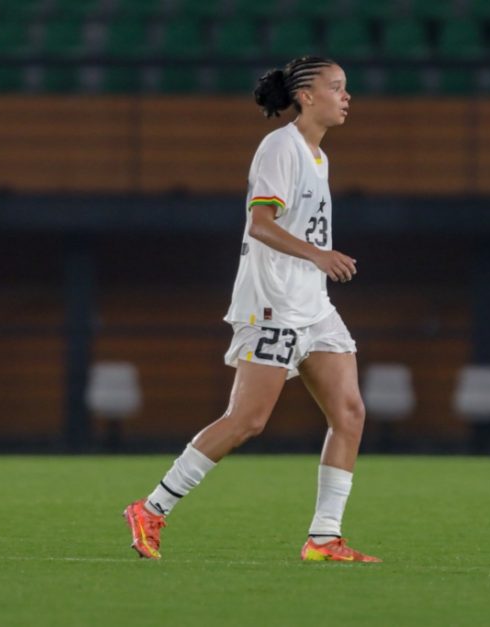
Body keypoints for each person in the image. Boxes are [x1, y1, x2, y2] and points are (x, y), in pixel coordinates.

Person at [123, 55, 379, 563]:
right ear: (306, 95)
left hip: (312, 305)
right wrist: (319, 255)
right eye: (336, 87)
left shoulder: (318, 156)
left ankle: (324, 537)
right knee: (247, 420)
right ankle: (151, 508)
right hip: (273, 305)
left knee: (349, 413)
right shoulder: (281, 147)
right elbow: (260, 224)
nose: (346, 96)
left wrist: (315, 264)